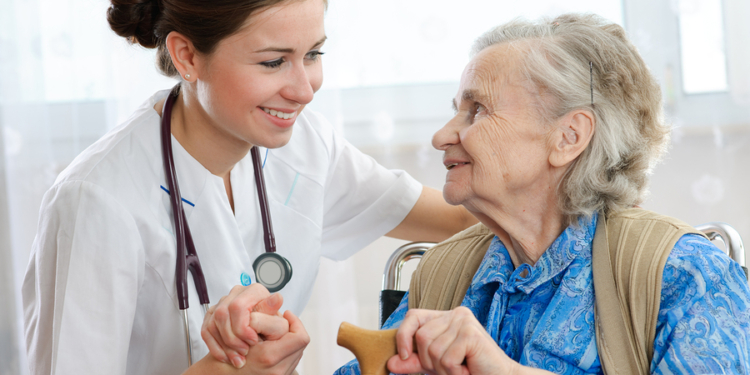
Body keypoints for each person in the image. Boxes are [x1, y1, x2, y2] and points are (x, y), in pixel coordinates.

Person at [21, 0, 478, 374]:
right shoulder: (96, 200)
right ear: (187, 56)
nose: (305, 89)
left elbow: (464, 216)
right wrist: (222, 371)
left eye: (313, 54)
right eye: (274, 61)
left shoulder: (304, 146)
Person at [331, 13, 750, 375]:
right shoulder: (443, 271)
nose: (442, 136)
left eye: (477, 109)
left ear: (568, 137)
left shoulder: (685, 275)